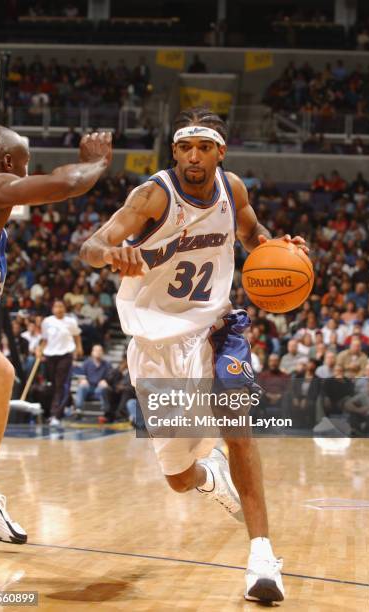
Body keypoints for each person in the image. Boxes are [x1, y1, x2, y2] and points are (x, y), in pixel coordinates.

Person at [80, 106, 307, 603]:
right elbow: (90, 246)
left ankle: (262, 558)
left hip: (215, 328)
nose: (194, 156)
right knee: (180, 478)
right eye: (185, 146)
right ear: (175, 152)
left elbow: (251, 236)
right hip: (155, 345)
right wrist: (110, 253)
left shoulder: (235, 189)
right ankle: (211, 478)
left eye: (204, 146)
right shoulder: (152, 195)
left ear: (220, 152)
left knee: (239, 429)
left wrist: (279, 249)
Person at [0, 126, 112, 546]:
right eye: (25, 161)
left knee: (0, 375)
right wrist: (96, 162)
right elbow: (63, 184)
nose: (28, 170)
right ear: (8, 163)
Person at [39, 300, 83, 427]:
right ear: (52, 309)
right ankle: (71, 405)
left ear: (65, 308)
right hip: (50, 355)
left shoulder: (71, 321)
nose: (59, 309)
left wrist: (79, 347)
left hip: (66, 354)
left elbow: (77, 335)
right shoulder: (47, 322)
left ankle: (56, 415)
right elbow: (44, 339)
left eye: (61, 306)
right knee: (53, 385)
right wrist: (40, 350)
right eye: (56, 306)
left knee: (61, 385)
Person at [75, 344, 112, 416]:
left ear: (102, 352)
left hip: (99, 389)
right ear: (92, 352)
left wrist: (106, 381)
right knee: (82, 386)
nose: (98, 352)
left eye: (100, 350)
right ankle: (78, 409)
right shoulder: (86, 363)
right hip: (88, 387)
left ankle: (105, 411)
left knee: (104, 387)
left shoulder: (107, 364)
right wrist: (82, 380)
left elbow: (111, 377)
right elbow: (80, 376)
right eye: (96, 350)